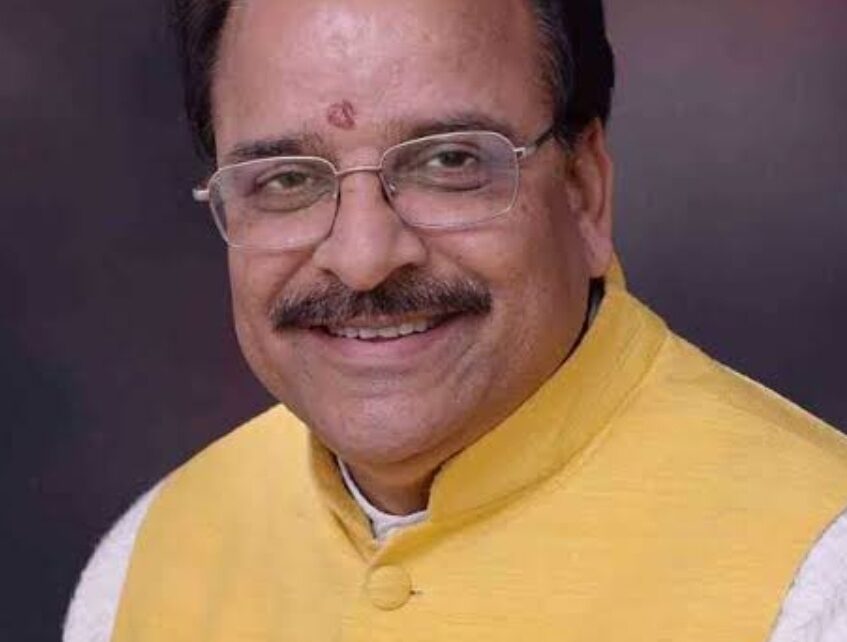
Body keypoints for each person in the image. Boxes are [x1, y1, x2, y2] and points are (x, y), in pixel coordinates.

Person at [65, 0, 847, 640]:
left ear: (583, 191)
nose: (364, 258)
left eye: (448, 162)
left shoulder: (817, 577)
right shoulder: (148, 564)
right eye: (288, 180)